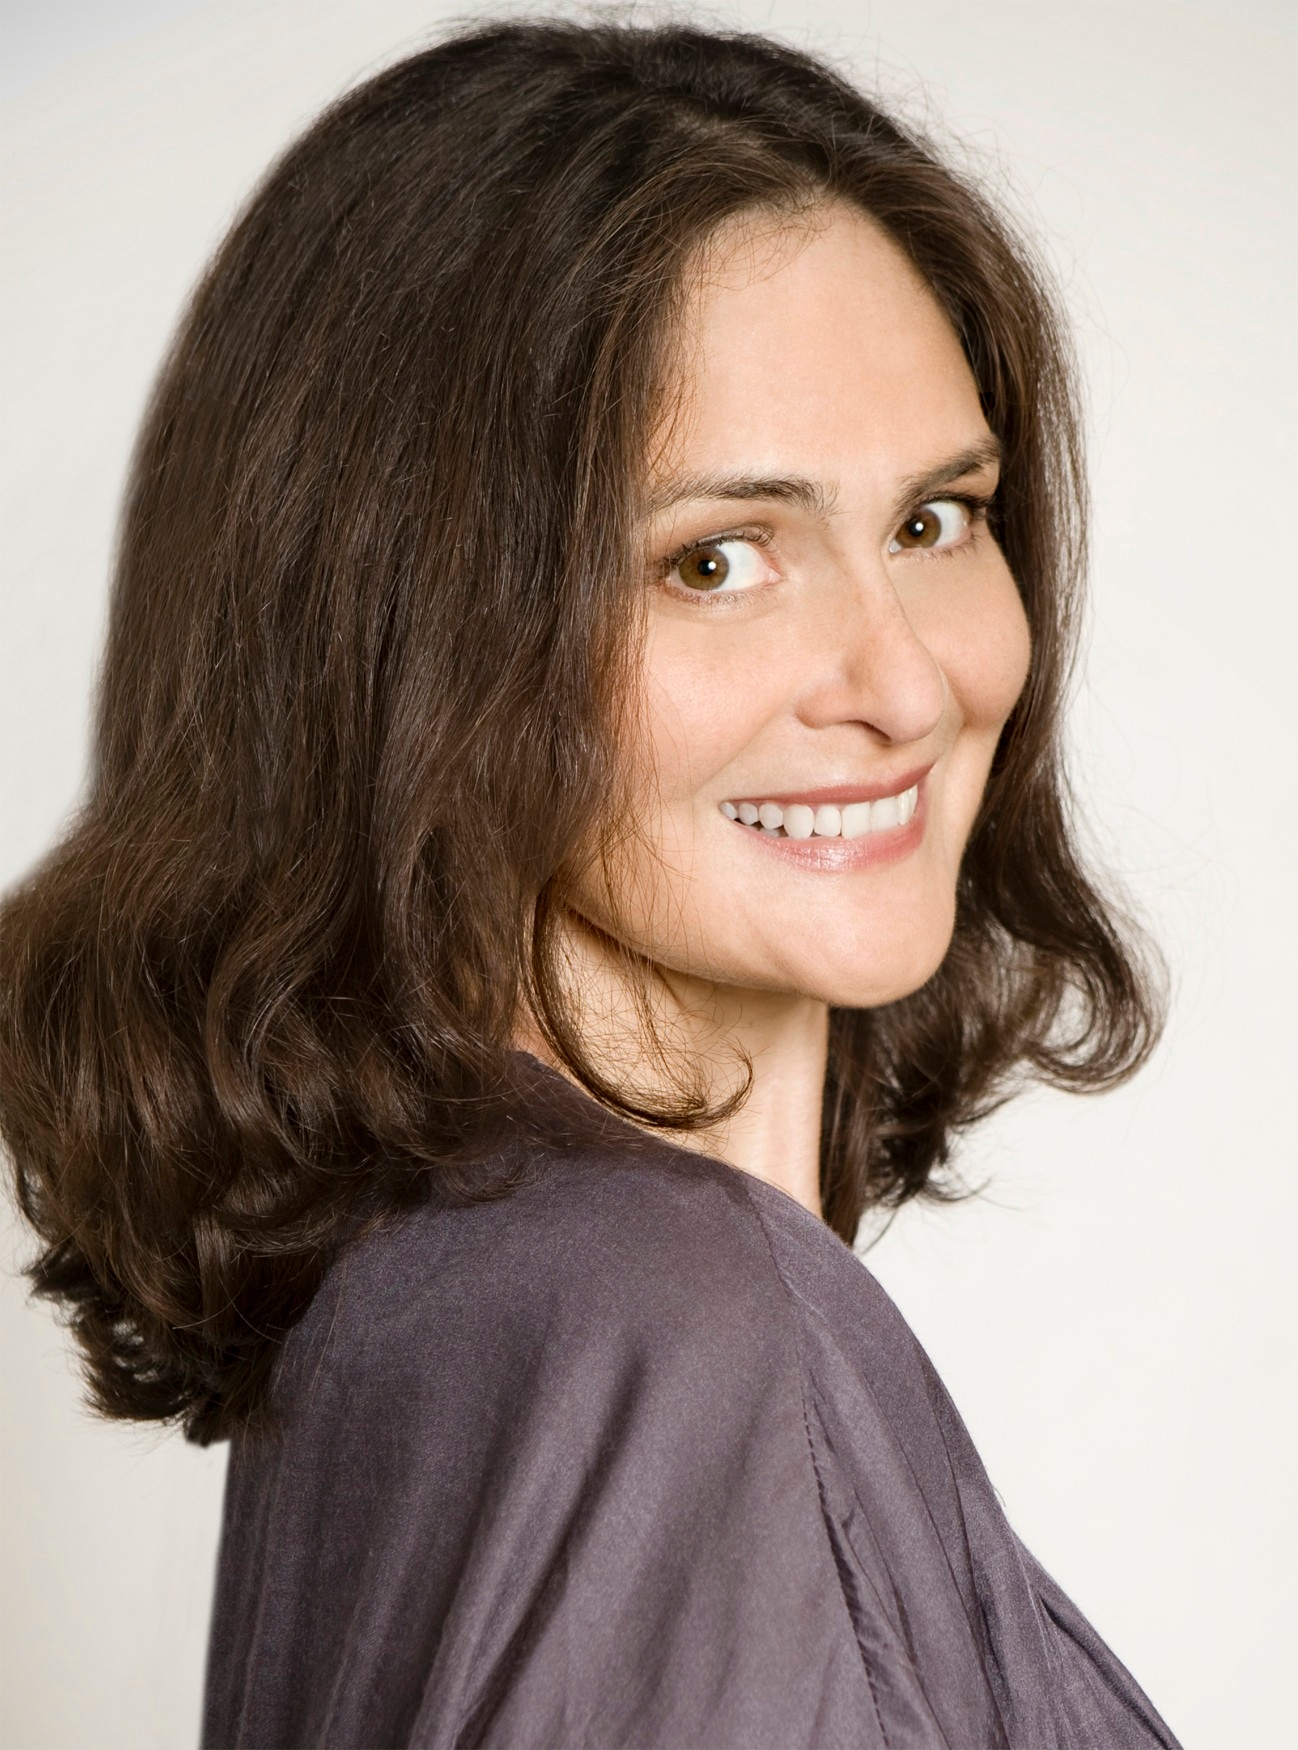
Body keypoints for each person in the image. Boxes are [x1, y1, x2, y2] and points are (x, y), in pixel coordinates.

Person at [0, 17, 1181, 1748]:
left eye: (935, 519)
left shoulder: (451, 1286)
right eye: (715, 560)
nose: (908, 684)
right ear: (413, 639)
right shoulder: (679, 1333)